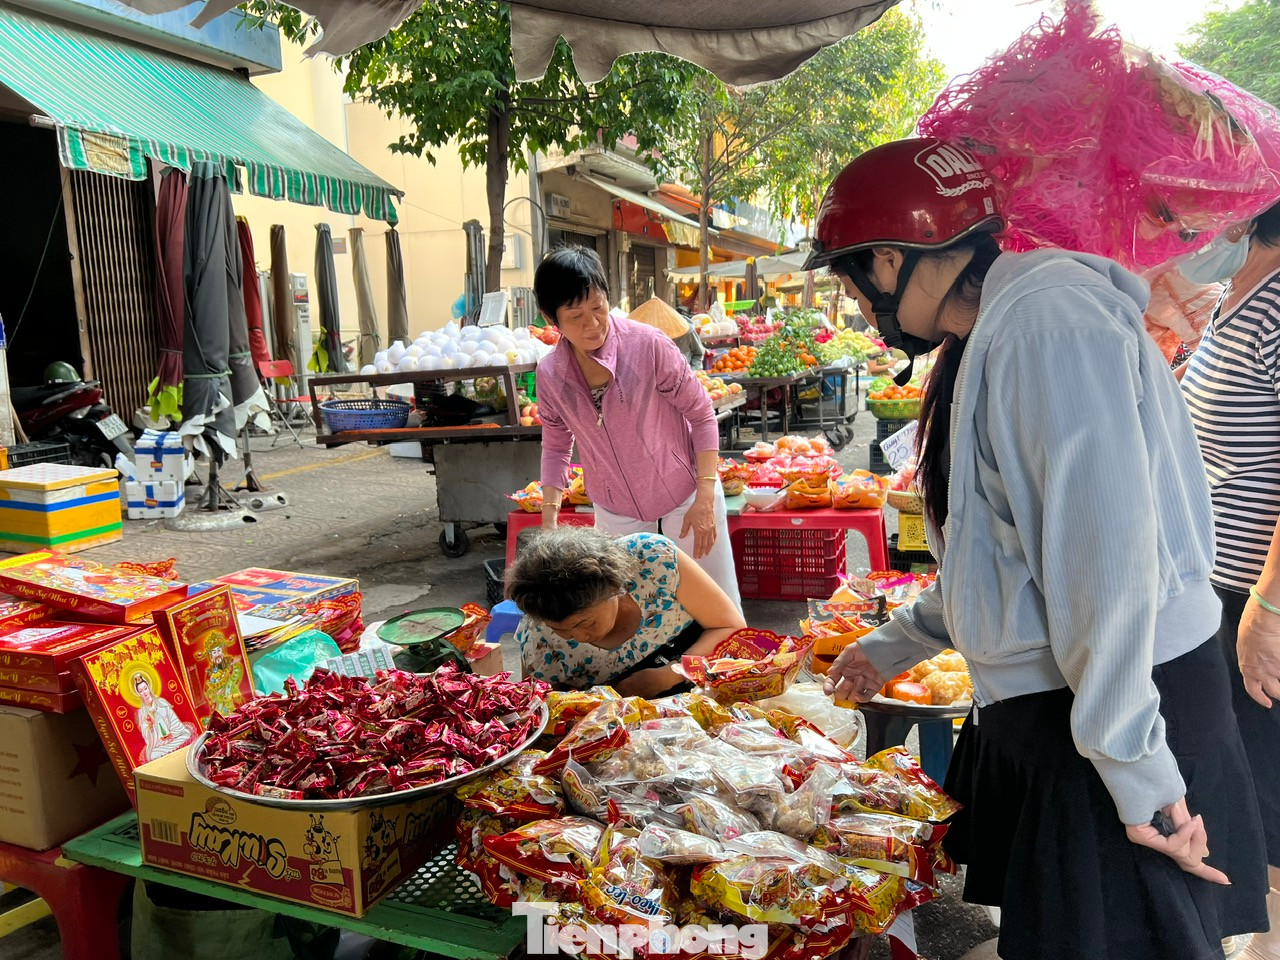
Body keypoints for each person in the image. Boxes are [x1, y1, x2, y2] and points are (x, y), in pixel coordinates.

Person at [809, 137, 1269, 960]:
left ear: (888, 261)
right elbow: (1005, 551)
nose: (856, 309)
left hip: (1119, 708)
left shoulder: (1045, 327)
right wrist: (897, 642)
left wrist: (1139, 773)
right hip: (1085, 711)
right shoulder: (1003, 330)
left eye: (849, 284)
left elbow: (1102, 569)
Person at [1179, 201, 1280, 960]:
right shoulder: (1231, 295)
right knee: (1242, 785)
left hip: (1256, 594)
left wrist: (1268, 609)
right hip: (1218, 588)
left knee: (1268, 793)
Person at [533, 246, 741, 609]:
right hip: (616, 512)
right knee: (637, 615)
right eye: (576, 316)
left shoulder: (648, 345)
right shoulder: (550, 375)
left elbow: (702, 415)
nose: (592, 324)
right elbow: (555, 446)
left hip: (687, 497)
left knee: (717, 606)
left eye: (598, 307)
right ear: (552, 319)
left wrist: (705, 497)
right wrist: (549, 520)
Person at [506, 526, 745, 698]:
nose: (579, 637)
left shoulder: (652, 560)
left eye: (585, 623)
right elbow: (541, 708)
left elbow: (730, 628)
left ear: (615, 588)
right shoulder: (539, 641)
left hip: (710, 685)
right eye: (561, 631)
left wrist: (671, 673)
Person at [132, 673, 195, 763]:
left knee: (186, 734)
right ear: (138, 693)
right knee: (153, 755)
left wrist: (172, 734)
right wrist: (150, 727)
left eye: (145, 689)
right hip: (159, 745)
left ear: (149, 688)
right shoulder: (142, 713)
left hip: (173, 737)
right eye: (141, 691)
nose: (144, 693)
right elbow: (145, 734)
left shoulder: (162, 702)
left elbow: (174, 721)